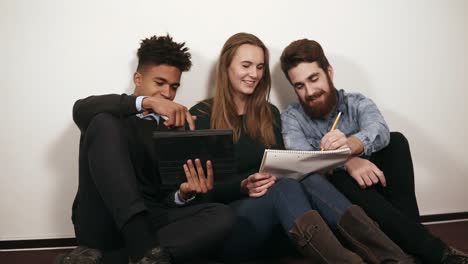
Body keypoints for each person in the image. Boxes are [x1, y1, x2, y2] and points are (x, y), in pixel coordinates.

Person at [187, 32, 414, 264]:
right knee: (289, 184)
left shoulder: (269, 114)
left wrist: (336, 156)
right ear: (226, 67)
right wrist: (242, 185)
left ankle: (391, 257)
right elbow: (199, 191)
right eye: (246, 65)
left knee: (305, 179)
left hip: (285, 214)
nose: (254, 74)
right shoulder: (200, 116)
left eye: (260, 67)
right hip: (235, 220)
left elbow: (286, 167)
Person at [279, 38, 468, 264]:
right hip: (344, 208)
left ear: (329, 72)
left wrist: (348, 147)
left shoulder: (356, 102)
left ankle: (413, 241)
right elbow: (304, 161)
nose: (309, 91)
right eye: (299, 85)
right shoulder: (291, 117)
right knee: (336, 176)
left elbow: (380, 129)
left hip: (380, 191)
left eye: (313, 78)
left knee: (396, 142)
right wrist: (347, 162)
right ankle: (430, 249)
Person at [55, 35, 235, 264]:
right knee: (104, 122)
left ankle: (115, 260)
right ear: (138, 78)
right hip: (104, 222)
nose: (168, 94)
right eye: (159, 83)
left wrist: (183, 194)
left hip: (152, 221)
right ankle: (143, 250)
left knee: (222, 215)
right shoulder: (111, 114)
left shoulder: (176, 128)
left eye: (174, 87)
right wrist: (147, 102)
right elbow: (80, 108)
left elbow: (164, 200)